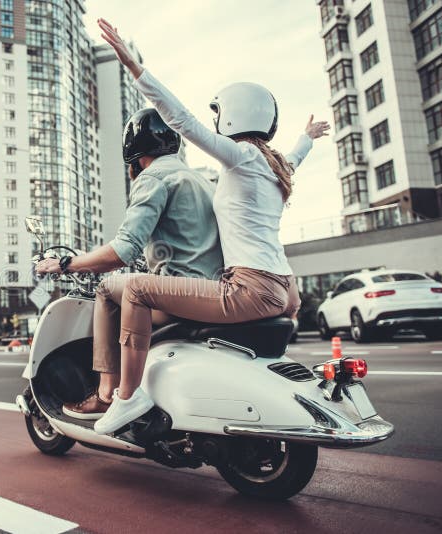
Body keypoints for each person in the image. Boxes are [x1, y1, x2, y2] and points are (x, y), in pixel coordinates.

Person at [86, 18, 331, 435]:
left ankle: (125, 397)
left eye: (218, 114)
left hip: (251, 287)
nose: (213, 122)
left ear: (232, 116)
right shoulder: (273, 167)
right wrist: (306, 137)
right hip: (286, 288)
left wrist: (135, 68)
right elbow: (296, 158)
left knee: (138, 287)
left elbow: (180, 120)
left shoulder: (241, 157)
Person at [36, 108, 224, 420]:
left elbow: (122, 250)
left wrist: (67, 263)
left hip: (181, 292)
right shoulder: (201, 180)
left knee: (107, 289)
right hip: (214, 291)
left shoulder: (153, 177)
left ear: (133, 153)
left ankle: (106, 392)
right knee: (131, 289)